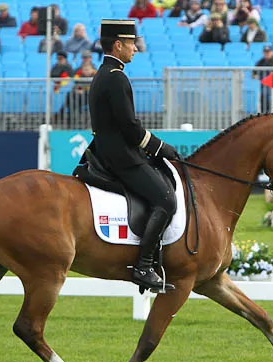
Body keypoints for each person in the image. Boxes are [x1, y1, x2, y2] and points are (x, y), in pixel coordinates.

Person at [86, 19, 181, 292]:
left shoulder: (104, 73)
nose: (135, 49)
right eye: (131, 44)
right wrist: (160, 148)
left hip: (107, 151)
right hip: (121, 157)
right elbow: (129, 127)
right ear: (118, 45)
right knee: (165, 200)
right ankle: (144, 265)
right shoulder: (116, 78)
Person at [253, 45, 273, 112]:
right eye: (265, 52)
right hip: (262, 86)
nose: (266, 53)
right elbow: (254, 74)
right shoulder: (259, 62)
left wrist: (272, 77)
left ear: (272, 52)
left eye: (268, 52)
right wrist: (255, 76)